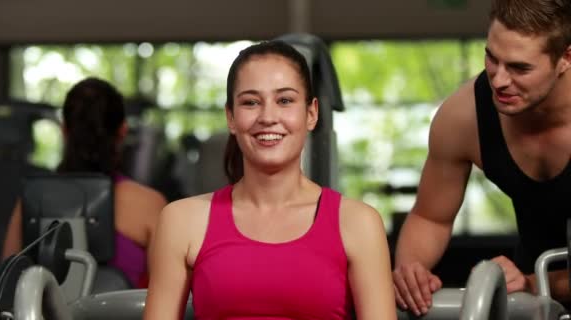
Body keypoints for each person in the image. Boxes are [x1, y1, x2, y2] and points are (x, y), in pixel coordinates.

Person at [144, 41, 395, 319]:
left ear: (311, 113)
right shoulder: (182, 220)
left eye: (285, 100)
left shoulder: (358, 223)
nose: (268, 117)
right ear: (231, 117)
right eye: (251, 102)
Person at [393, 0, 571, 315]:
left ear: (566, 58)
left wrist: (533, 282)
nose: (499, 80)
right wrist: (411, 270)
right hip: (537, 293)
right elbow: (430, 217)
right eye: (492, 58)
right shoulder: (465, 117)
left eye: (519, 67)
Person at [2, 77, 168, 288]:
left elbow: (8, 287)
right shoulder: (149, 204)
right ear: (123, 131)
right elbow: (166, 297)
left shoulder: (33, 198)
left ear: (64, 130)